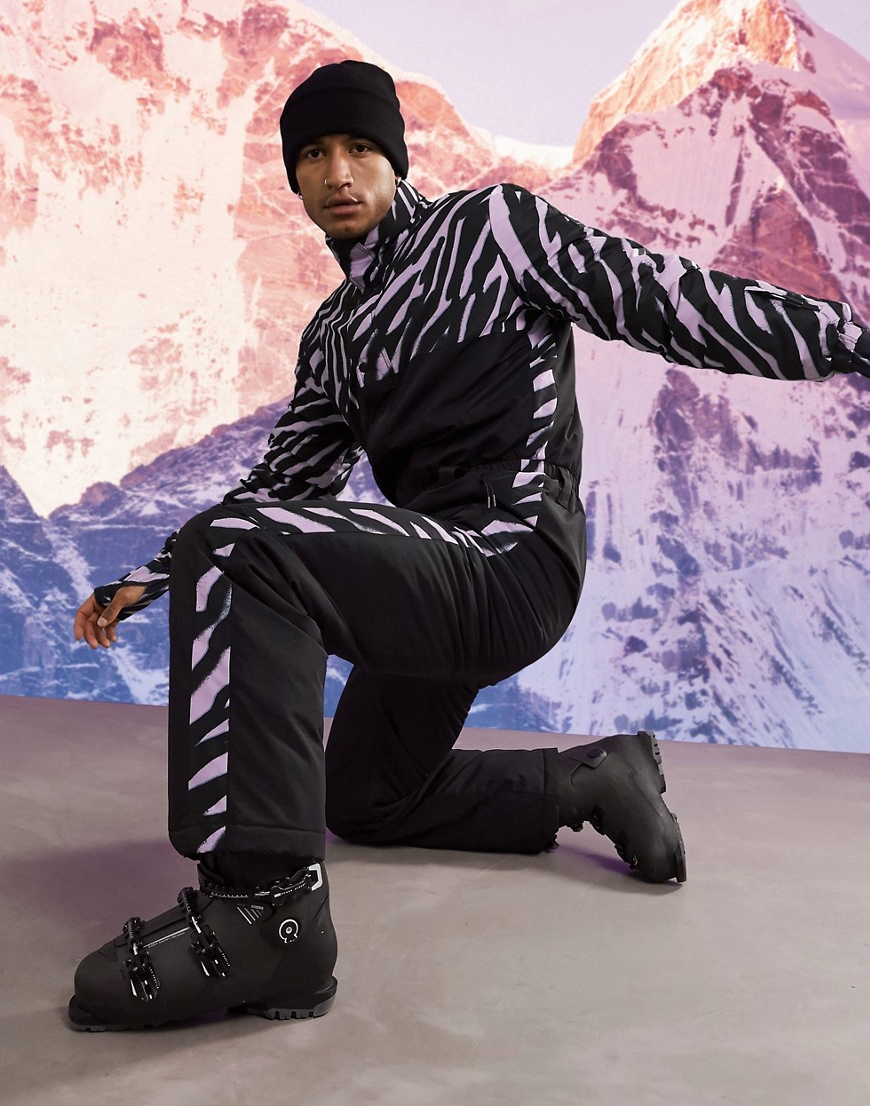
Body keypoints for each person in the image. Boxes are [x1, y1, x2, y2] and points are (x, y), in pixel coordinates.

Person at [69, 60, 869, 1032]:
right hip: (431, 570)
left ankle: (265, 916)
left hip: (512, 561)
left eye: (359, 147)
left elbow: (666, 300)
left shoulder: (494, 230)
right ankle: (590, 780)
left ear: (396, 158)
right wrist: (147, 579)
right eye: (313, 156)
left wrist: (847, 338)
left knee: (237, 549)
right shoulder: (335, 338)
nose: (338, 173)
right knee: (364, 798)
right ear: (294, 179)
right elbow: (282, 488)